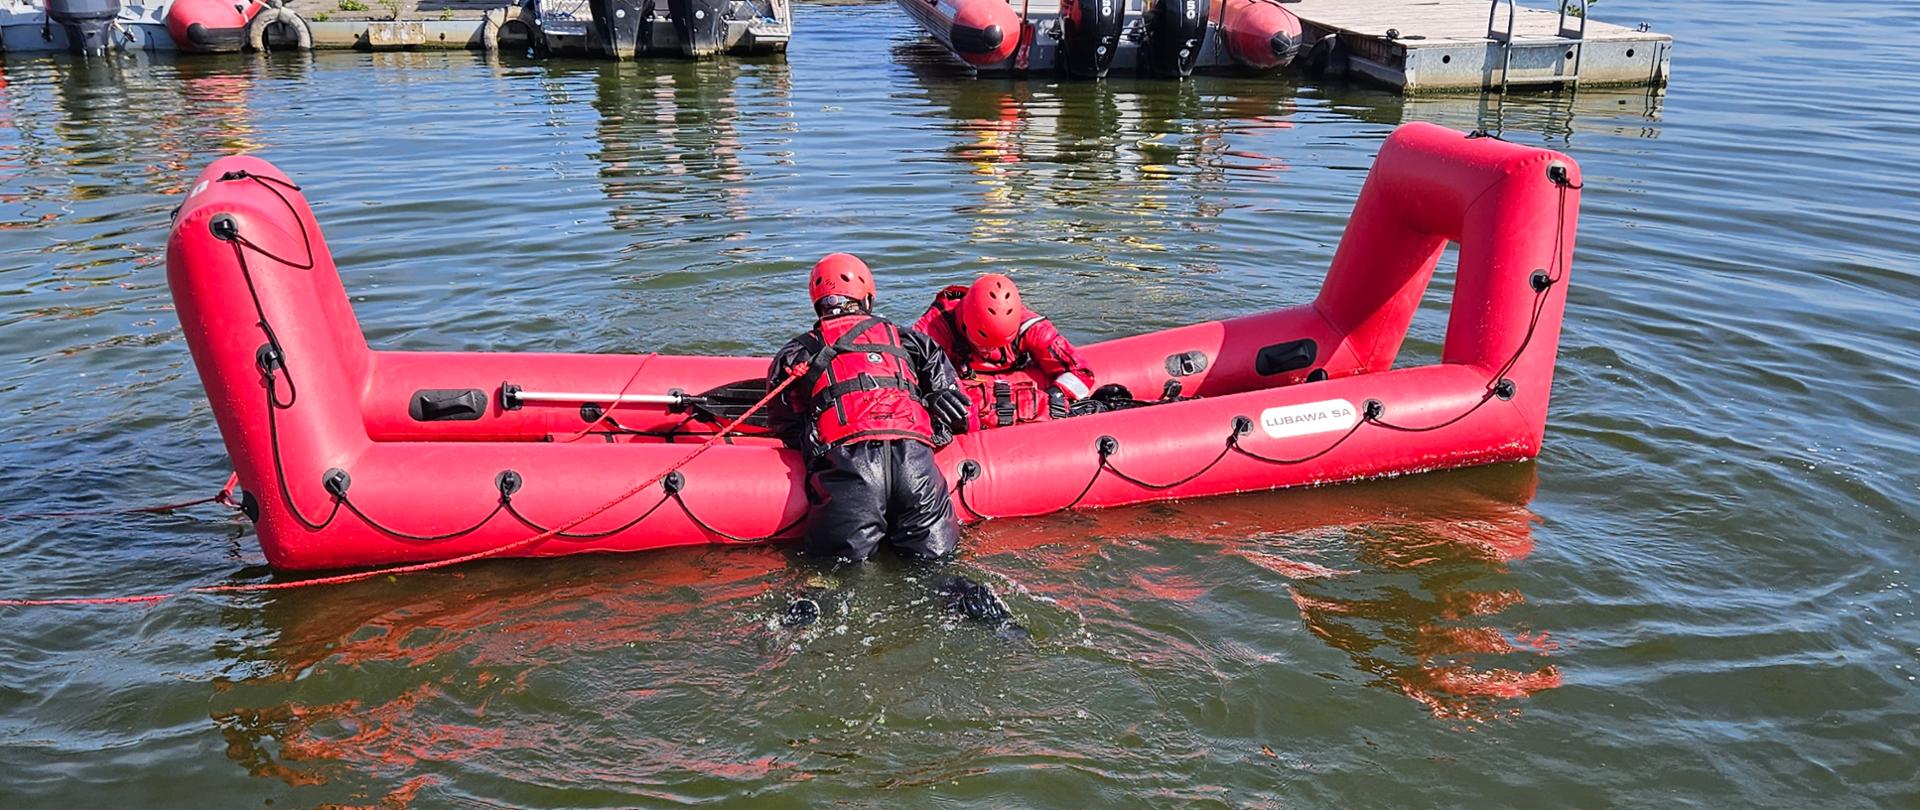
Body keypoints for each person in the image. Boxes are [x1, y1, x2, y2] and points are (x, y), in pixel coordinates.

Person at [766, 253, 975, 563]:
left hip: (850, 471)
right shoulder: (911, 340)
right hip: (915, 467)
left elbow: (782, 421)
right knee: (938, 571)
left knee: (835, 579)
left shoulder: (797, 352)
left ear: (817, 302)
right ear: (867, 297)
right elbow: (958, 411)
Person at [912, 273, 1098, 429]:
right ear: (964, 325)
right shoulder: (932, 331)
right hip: (958, 384)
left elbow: (1081, 372)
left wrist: (1055, 396)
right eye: (983, 345)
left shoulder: (1032, 327)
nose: (989, 351)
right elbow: (910, 380)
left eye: (998, 345)